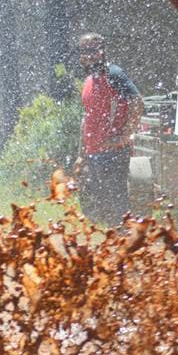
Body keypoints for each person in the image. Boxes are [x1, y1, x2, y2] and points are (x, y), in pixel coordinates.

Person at [76, 33, 144, 224]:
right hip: (93, 152)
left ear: (102, 51)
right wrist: (81, 154)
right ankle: (109, 245)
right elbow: (87, 119)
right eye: (84, 52)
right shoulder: (89, 80)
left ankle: (124, 242)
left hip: (113, 151)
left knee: (117, 204)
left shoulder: (114, 74)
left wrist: (125, 135)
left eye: (93, 50)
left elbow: (137, 102)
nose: (89, 56)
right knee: (98, 206)